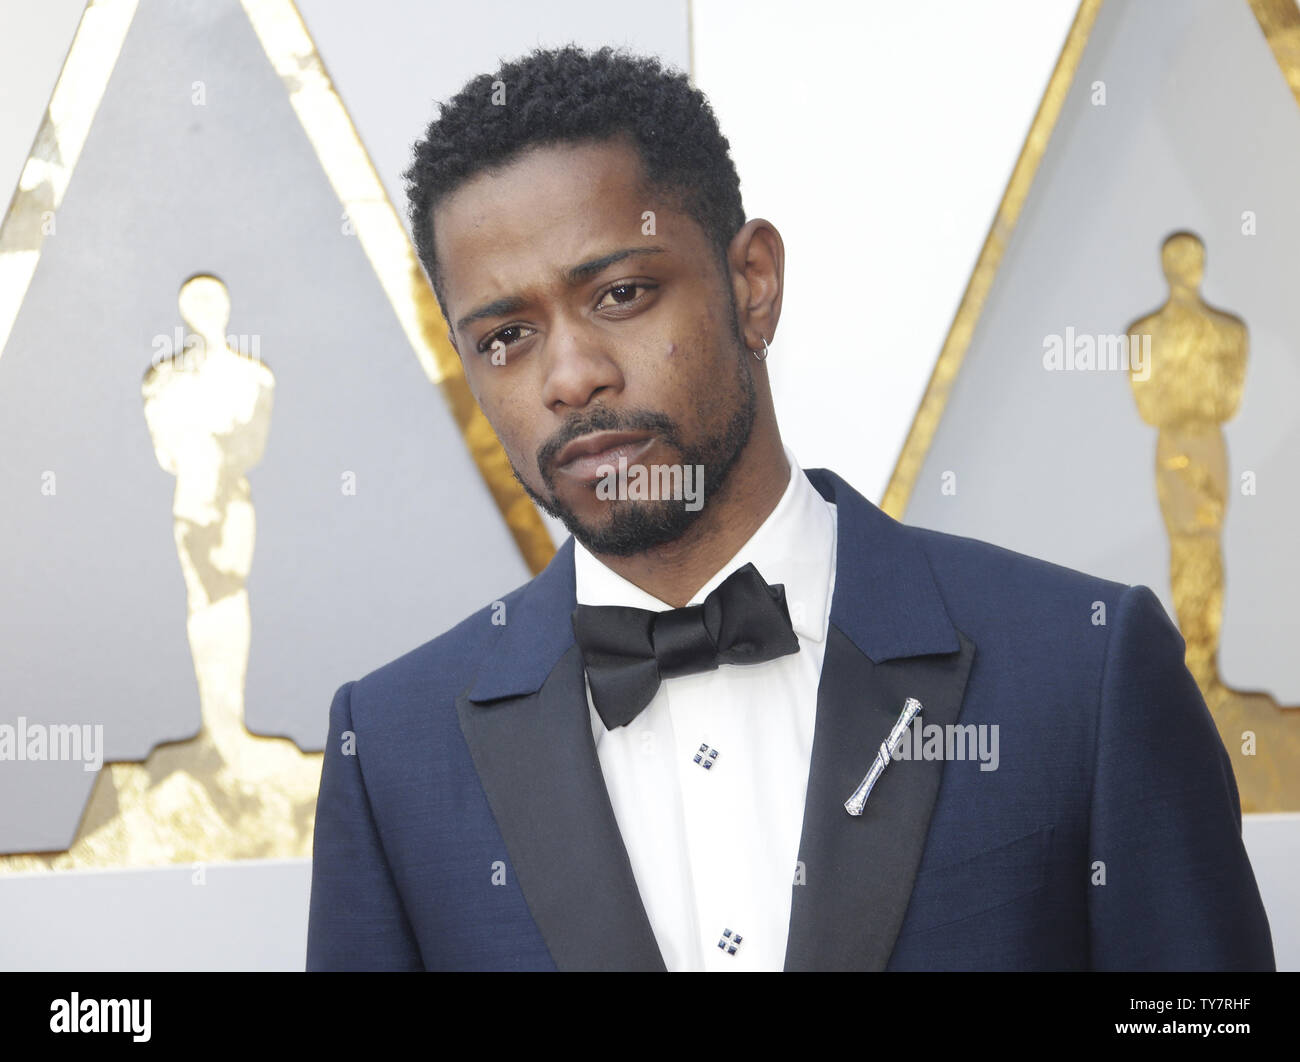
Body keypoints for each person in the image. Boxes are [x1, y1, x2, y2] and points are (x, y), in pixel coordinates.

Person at [305, 45, 1274, 971]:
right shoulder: (392, 755)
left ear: (752, 285)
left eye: (621, 294)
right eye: (507, 336)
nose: (570, 377)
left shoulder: (1082, 673)